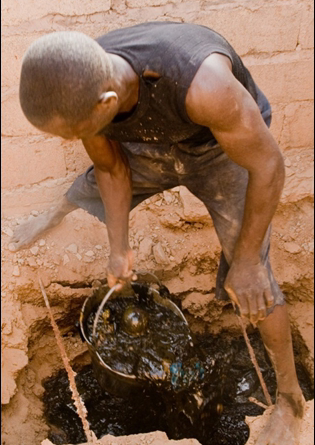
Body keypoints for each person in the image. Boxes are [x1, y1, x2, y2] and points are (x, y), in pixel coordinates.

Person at [12, 21, 305, 444]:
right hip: (151, 145)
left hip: (217, 149)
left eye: (72, 133)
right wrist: (119, 249)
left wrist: (245, 261)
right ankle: (54, 211)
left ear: (107, 102)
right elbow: (113, 167)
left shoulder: (206, 85)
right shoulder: (85, 82)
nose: (67, 142)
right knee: (89, 186)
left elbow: (269, 165)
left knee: (255, 279)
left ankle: (291, 399)